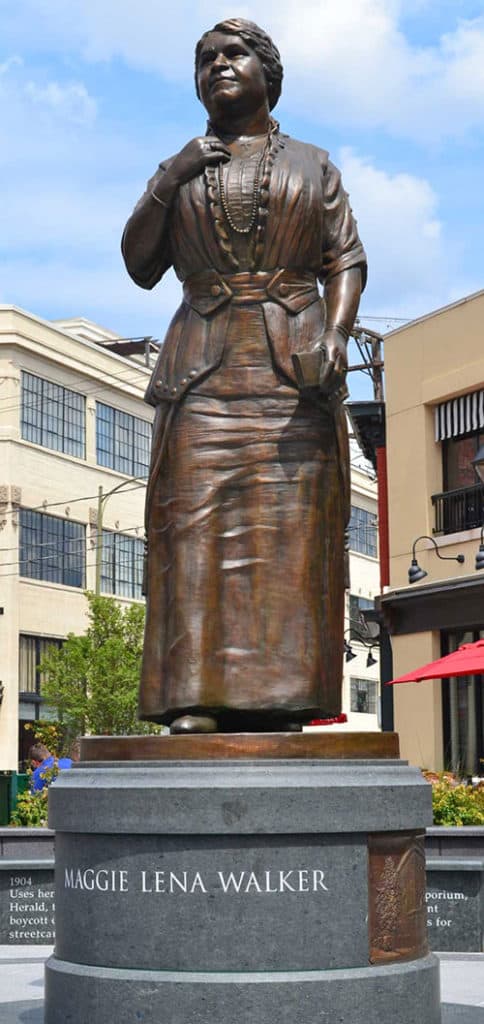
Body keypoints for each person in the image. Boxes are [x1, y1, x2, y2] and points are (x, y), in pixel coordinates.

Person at [122, 18, 367, 734]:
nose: (217, 67)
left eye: (233, 56)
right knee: (189, 530)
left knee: (291, 534)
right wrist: (170, 179)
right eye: (205, 60)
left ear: (267, 72)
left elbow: (344, 258)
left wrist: (338, 331)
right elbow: (139, 266)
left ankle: (284, 698)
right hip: (203, 371)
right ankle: (190, 696)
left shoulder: (313, 164)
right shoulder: (179, 168)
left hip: (292, 368)